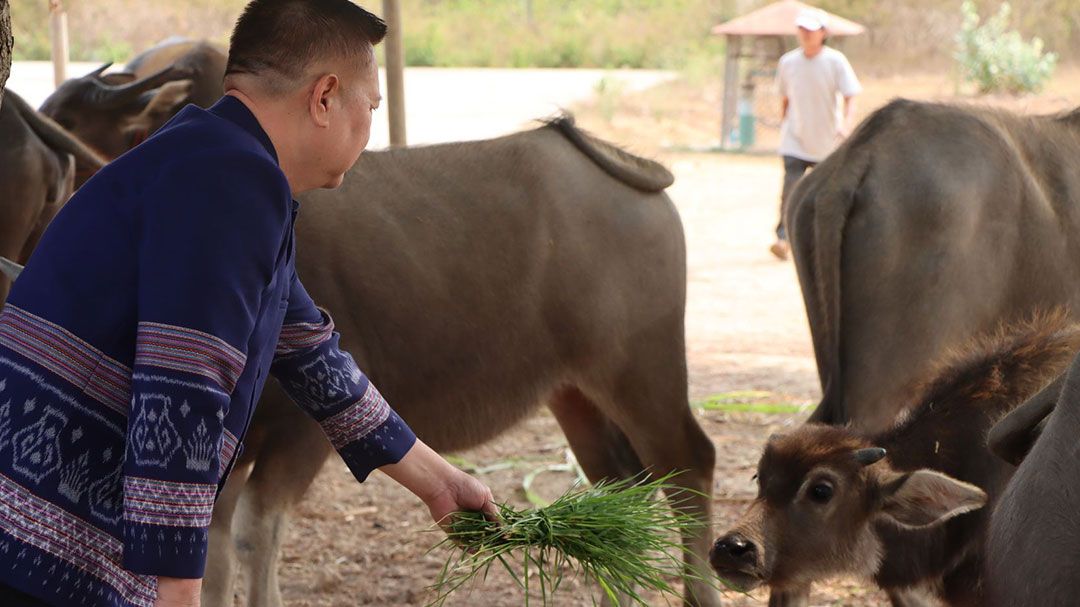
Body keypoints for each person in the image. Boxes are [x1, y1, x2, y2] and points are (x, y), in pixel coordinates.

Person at [0, 1, 497, 606]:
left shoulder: (214, 160)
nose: (368, 126)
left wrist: (440, 483)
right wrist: (179, 588)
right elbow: (184, 389)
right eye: (370, 107)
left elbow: (310, 353)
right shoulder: (232, 185)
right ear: (325, 98)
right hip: (38, 545)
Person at [769, 7, 861, 260]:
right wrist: (784, 122)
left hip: (827, 141)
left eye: (811, 30)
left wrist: (847, 123)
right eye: (802, 29)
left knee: (828, 193)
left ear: (823, 33)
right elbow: (785, 97)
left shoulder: (835, 61)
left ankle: (826, 239)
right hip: (795, 139)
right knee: (790, 188)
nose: (806, 34)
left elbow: (851, 94)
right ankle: (783, 238)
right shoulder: (788, 62)